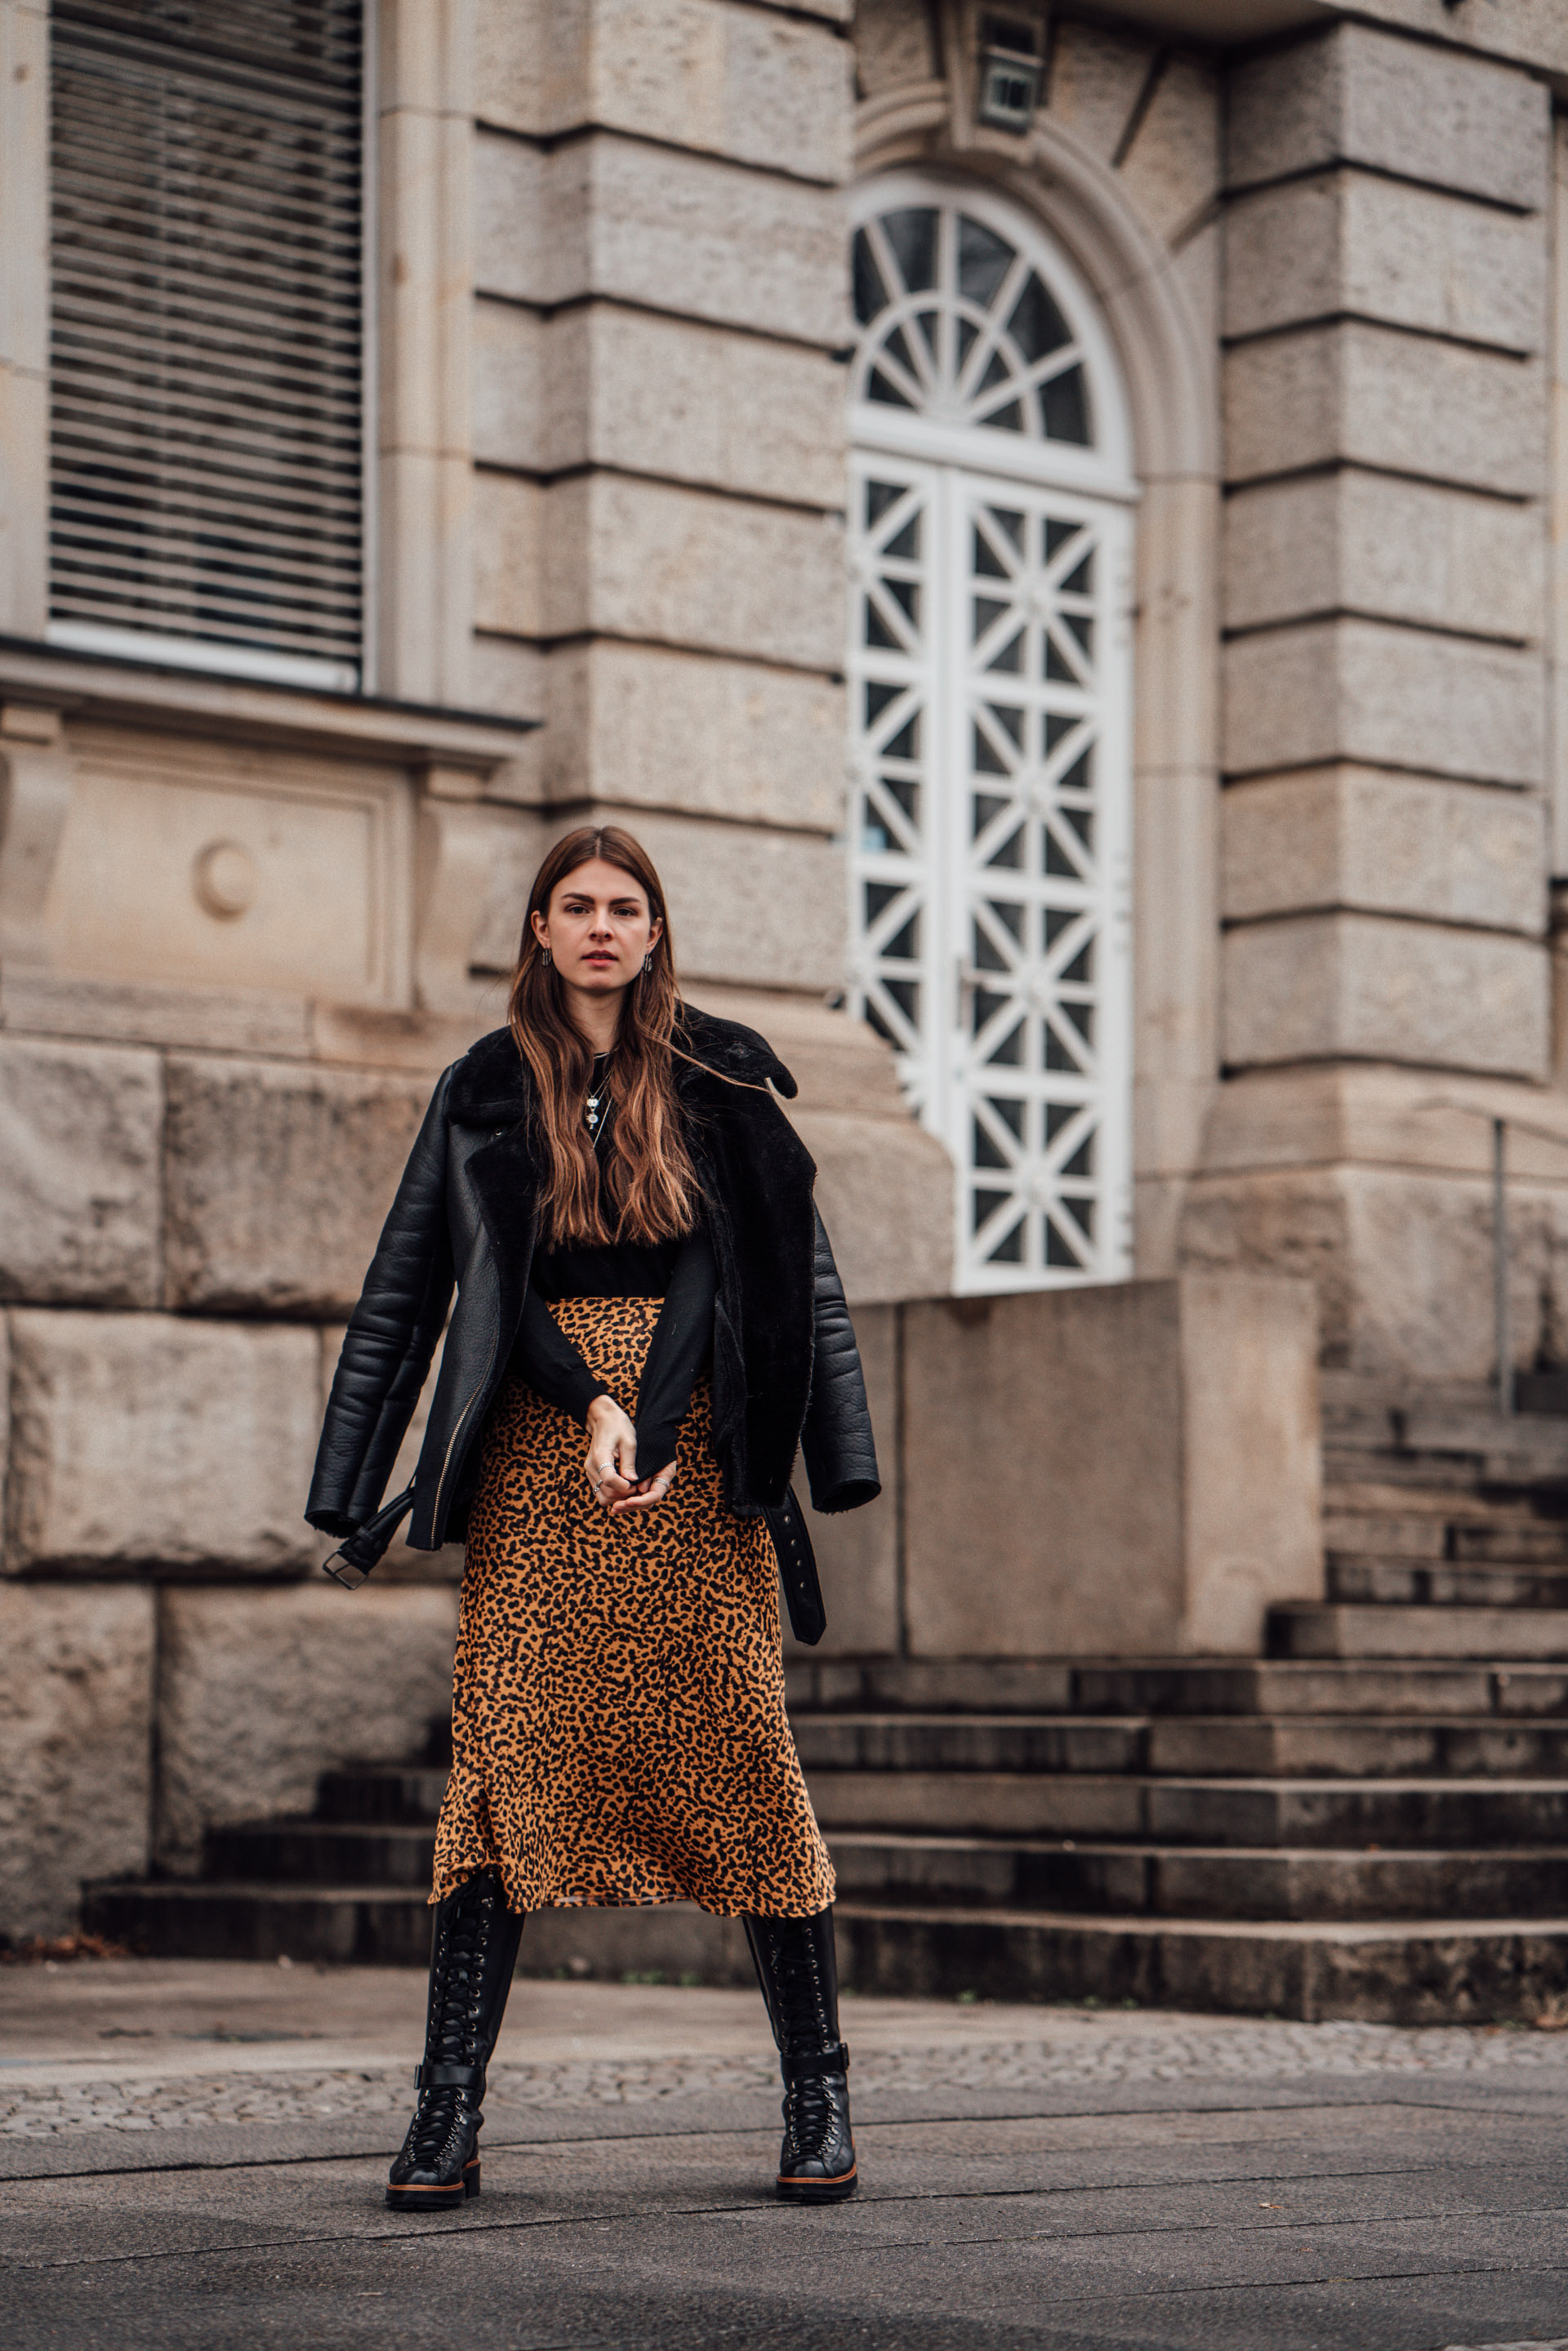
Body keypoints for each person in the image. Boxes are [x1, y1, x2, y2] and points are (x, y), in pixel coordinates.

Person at [306, 824, 880, 2213]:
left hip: (703, 1457)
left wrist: (675, 1415)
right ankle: (446, 2114)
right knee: (502, 1772)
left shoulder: (719, 1070)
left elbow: (762, 1264)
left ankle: (818, 2097)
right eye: (580, 906)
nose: (605, 928)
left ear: (655, 929)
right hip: (534, 1455)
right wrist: (559, 1413)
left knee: (745, 1753)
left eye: (628, 907)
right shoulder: (483, 1084)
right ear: (542, 928)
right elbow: (419, 1290)